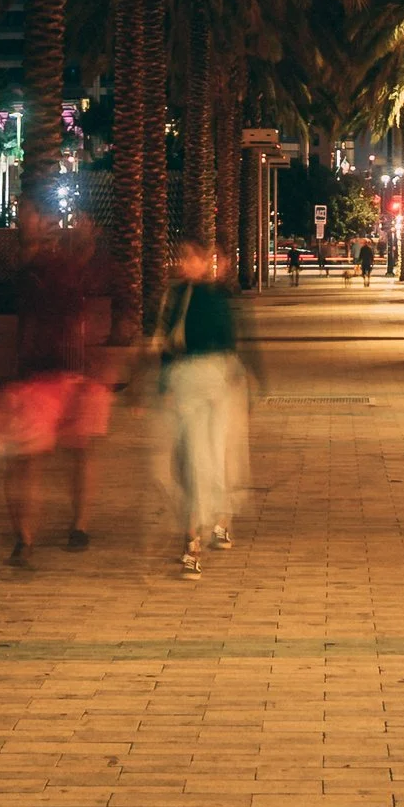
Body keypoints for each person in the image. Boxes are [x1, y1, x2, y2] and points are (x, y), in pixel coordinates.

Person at [2, 204, 110, 563]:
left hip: (74, 367)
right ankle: (25, 538)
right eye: (27, 215)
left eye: (35, 214)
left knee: (79, 450)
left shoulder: (64, 259)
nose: (34, 221)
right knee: (27, 457)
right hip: (34, 374)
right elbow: (25, 270)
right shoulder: (24, 261)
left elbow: (89, 286)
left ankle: (79, 525)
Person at [156, 238, 256, 577]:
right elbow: (167, 345)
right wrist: (161, 386)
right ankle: (200, 528)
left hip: (215, 384)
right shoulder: (176, 295)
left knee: (211, 458)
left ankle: (195, 540)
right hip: (185, 385)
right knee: (188, 460)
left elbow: (232, 343)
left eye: (191, 257)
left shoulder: (217, 297)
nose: (185, 263)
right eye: (182, 257)